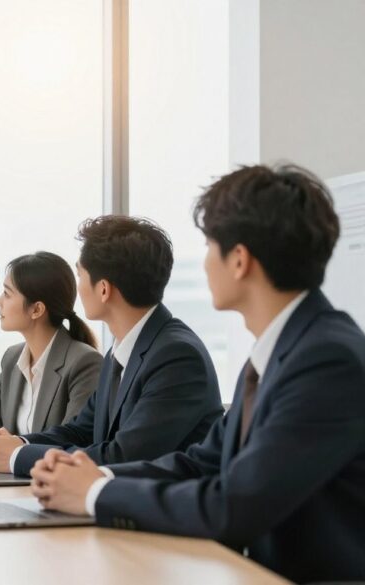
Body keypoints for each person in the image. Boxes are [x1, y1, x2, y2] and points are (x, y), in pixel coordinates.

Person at [30, 165, 365, 583]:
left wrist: (96, 494)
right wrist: (92, 477)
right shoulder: (280, 351)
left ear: (239, 260)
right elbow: (202, 462)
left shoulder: (327, 360)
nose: (205, 263)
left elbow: (235, 505)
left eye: (209, 245)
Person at [0, 216, 223, 476]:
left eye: (80, 274)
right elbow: (81, 431)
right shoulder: (122, 352)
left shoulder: (176, 357)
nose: (77, 287)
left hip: (160, 511)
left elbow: (124, 456)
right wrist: (18, 443)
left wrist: (16, 457)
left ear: (103, 290)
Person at [0, 252, 102, 455]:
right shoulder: (13, 359)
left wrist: (12, 448)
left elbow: (74, 441)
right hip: (11, 481)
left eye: (7, 293)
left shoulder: (84, 362)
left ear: (37, 309)